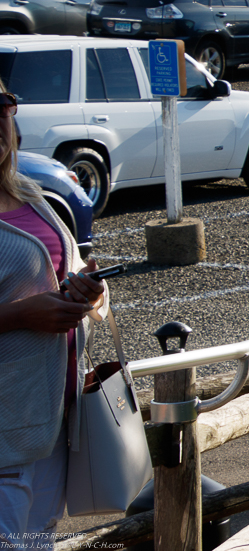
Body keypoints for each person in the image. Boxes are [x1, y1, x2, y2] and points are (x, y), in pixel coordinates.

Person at [0, 82, 107, 550]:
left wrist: (86, 290)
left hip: (54, 417)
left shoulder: (31, 194)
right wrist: (22, 315)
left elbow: (65, 270)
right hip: (5, 426)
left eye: (0, 107)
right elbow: (28, 307)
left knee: (37, 540)